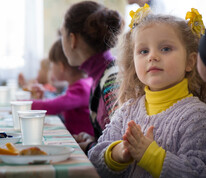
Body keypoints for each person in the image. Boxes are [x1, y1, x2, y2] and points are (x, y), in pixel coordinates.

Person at [89, 5, 206, 178]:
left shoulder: (197, 116)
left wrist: (150, 155)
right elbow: (93, 162)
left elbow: (197, 172)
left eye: (165, 49)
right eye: (143, 51)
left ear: (190, 62)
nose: (152, 56)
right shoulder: (127, 110)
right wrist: (117, 154)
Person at [60, 1, 124, 154]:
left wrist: (89, 148)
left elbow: (123, 149)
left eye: (62, 35)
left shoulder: (112, 82)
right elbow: (111, 140)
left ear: (72, 39)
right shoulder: (102, 76)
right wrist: (93, 141)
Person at [31, 38, 94, 136]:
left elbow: (52, 106)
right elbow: (60, 103)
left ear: (61, 66)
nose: (51, 70)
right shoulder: (82, 84)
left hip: (82, 144)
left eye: (52, 66)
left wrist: (22, 104)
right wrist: (44, 98)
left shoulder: (81, 88)